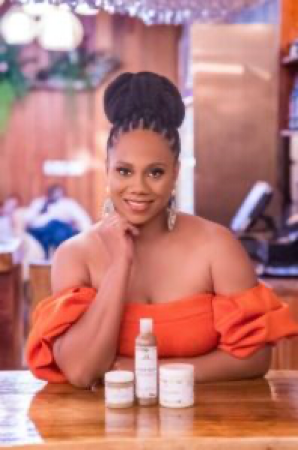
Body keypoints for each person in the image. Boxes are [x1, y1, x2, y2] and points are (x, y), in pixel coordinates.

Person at [26, 71, 298, 388]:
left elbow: (254, 358)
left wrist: (141, 371)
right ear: (107, 170)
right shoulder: (75, 255)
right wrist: (119, 266)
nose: (138, 187)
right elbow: (82, 371)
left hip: (206, 427)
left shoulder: (216, 246)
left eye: (155, 172)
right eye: (124, 171)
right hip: (104, 431)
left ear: (175, 174)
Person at [26, 184, 92, 258]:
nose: (56, 195)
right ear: (48, 193)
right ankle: (48, 258)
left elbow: (82, 218)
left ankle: (59, 257)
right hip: (42, 230)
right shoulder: (39, 203)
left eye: (58, 193)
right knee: (48, 231)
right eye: (53, 192)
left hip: (61, 228)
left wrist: (84, 231)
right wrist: (41, 210)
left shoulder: (68, 204)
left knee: (57, 227)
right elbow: (28, 220)